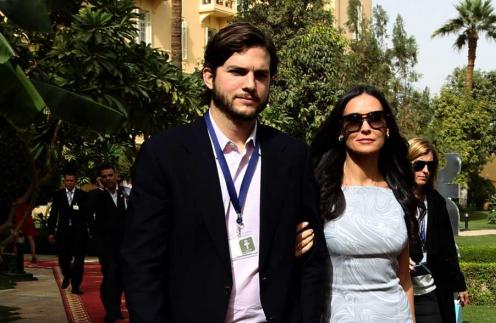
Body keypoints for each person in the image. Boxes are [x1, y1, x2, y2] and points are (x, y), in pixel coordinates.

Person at [120, 22, 326, 322]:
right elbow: (141, 263)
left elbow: (311, 258)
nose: (250, 84)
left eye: (261, 75)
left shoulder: (292, 155)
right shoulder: (165, 155)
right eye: (237, 71)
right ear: (208, 76)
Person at [310, 85, 420, 322]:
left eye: (375, 118)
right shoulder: (318, 191)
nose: (366, 128)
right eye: (354, 120)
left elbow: (405, 280)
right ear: (341, 130)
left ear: (387, 127)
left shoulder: (399, 193)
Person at [407, 138, 469, 323]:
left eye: (430, 165)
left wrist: (460, 284)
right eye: (418, 165)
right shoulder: (393, 198)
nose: (425, 170)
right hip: (398, 290)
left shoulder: (436, 202)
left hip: (430, 289)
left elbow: (447, 248)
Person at [90, 164, 129, 323]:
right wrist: (99, 189)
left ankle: (117, 308)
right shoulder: (97, 195)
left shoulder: (126, 193)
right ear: (100, 179)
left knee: (121, 278)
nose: (108, 179)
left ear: (116, 175)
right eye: (104, 176)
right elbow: (88, 208)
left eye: (110, 175)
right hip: (106, 247)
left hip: (125, 246)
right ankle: (110, 311)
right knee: (110, 277)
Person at [48, 171, 90, 294]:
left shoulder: (82, 195)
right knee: (63, 259)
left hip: (79, 233)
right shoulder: (58, 195)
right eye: (67, 180)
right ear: (64, 181)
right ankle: (67, 275)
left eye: (72, 180)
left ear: (75, 181)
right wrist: (51, 232)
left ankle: (76, 286)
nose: (70, 182)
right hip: (63, 233)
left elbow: (87, 215)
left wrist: (90, 231)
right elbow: (54, 214)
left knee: (78, 261)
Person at [14, 198, 37, 263]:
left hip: (20, 221)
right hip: (27, 220)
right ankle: (33, 255)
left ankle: (17, 256)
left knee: (19, 238)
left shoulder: (18, 200)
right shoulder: (29, 199)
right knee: (30, 237)